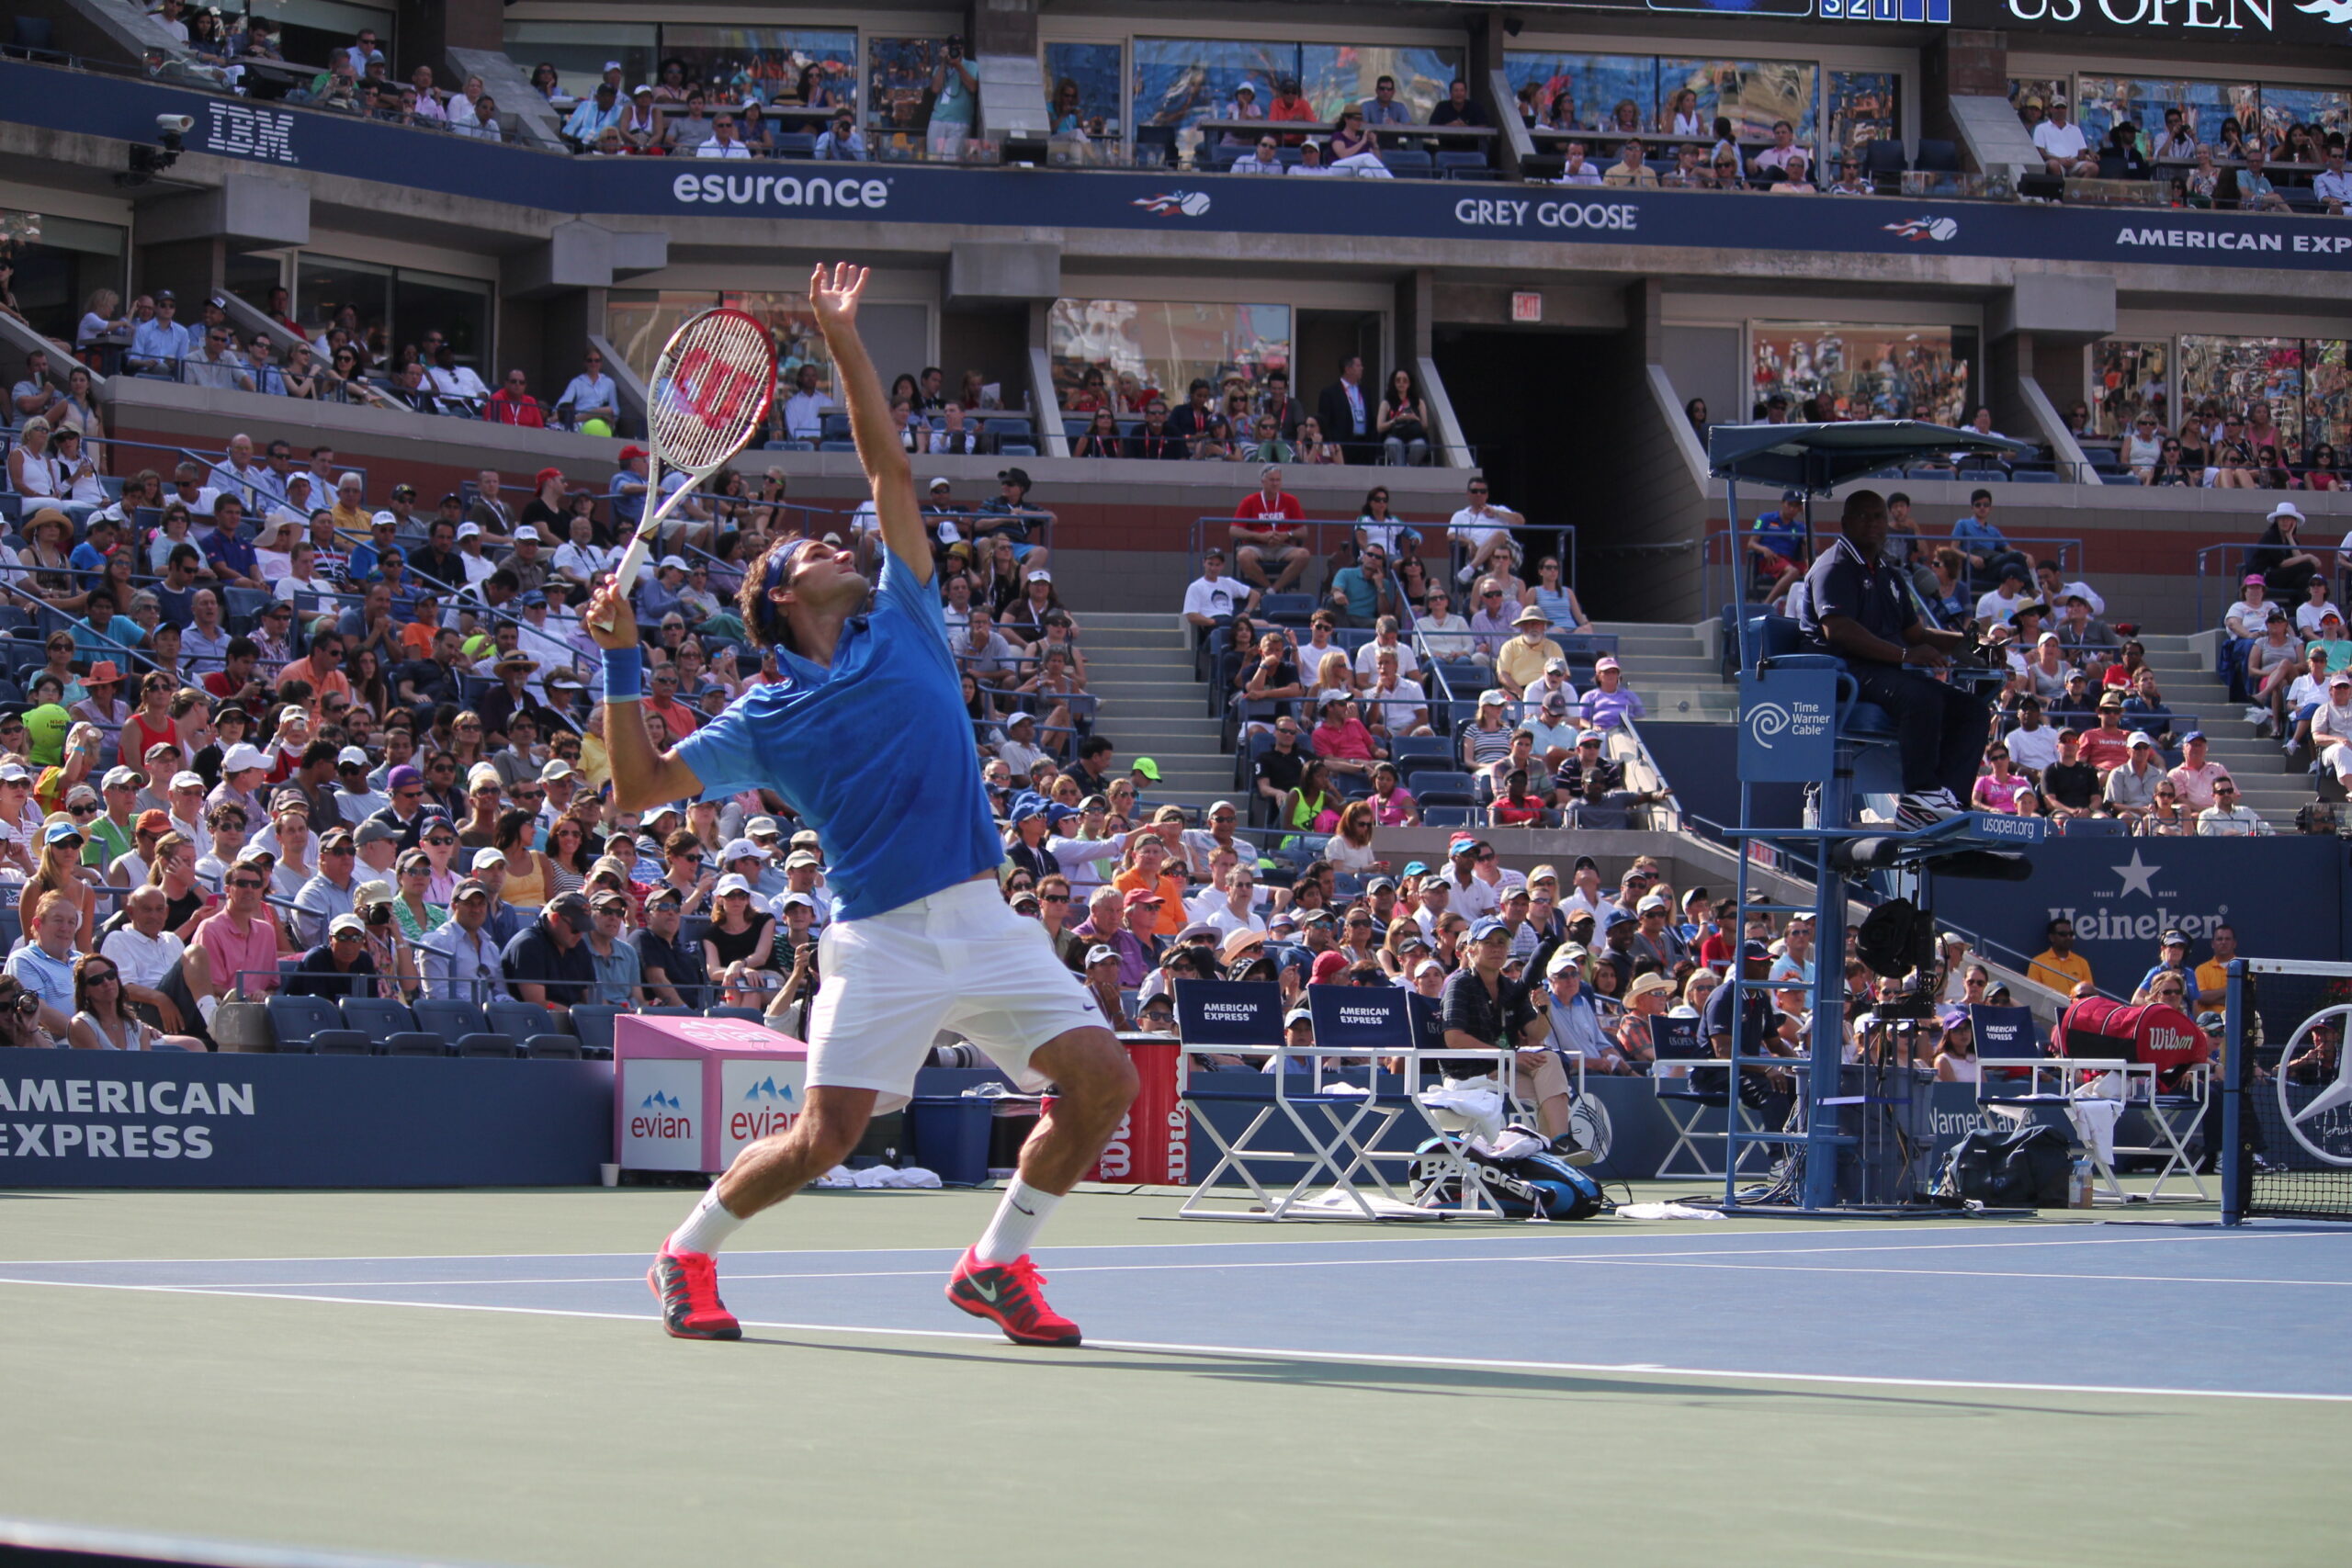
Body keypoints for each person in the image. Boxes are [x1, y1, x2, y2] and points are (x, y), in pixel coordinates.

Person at [586, 261, 1133, 1348]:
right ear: (785, 595)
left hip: (984, 918)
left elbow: (887, 467)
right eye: (818, 551)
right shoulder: (762, 718)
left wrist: (842, 337)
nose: (846, 544)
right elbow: (637, 789)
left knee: (1102, 1082)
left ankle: (995, 1264)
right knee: (825, 1137)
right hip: (880, 939)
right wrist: (621, 658)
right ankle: (684, 1253)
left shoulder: (908, 616)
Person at [1801, 490, 2005, 826]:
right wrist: (1906, 655)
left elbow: (1915, 634)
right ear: (1845, 522)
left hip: (1889, 670)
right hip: (1845, 671)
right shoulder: (1833, 567)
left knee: (1972, 711)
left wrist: (1968, 642)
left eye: (1878, 516)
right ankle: (1920, 797)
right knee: (1921, 697)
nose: (1873, 523)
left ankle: (1948, 803)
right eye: (1863, 516)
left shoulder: (1889, 574)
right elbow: (1838, 631)